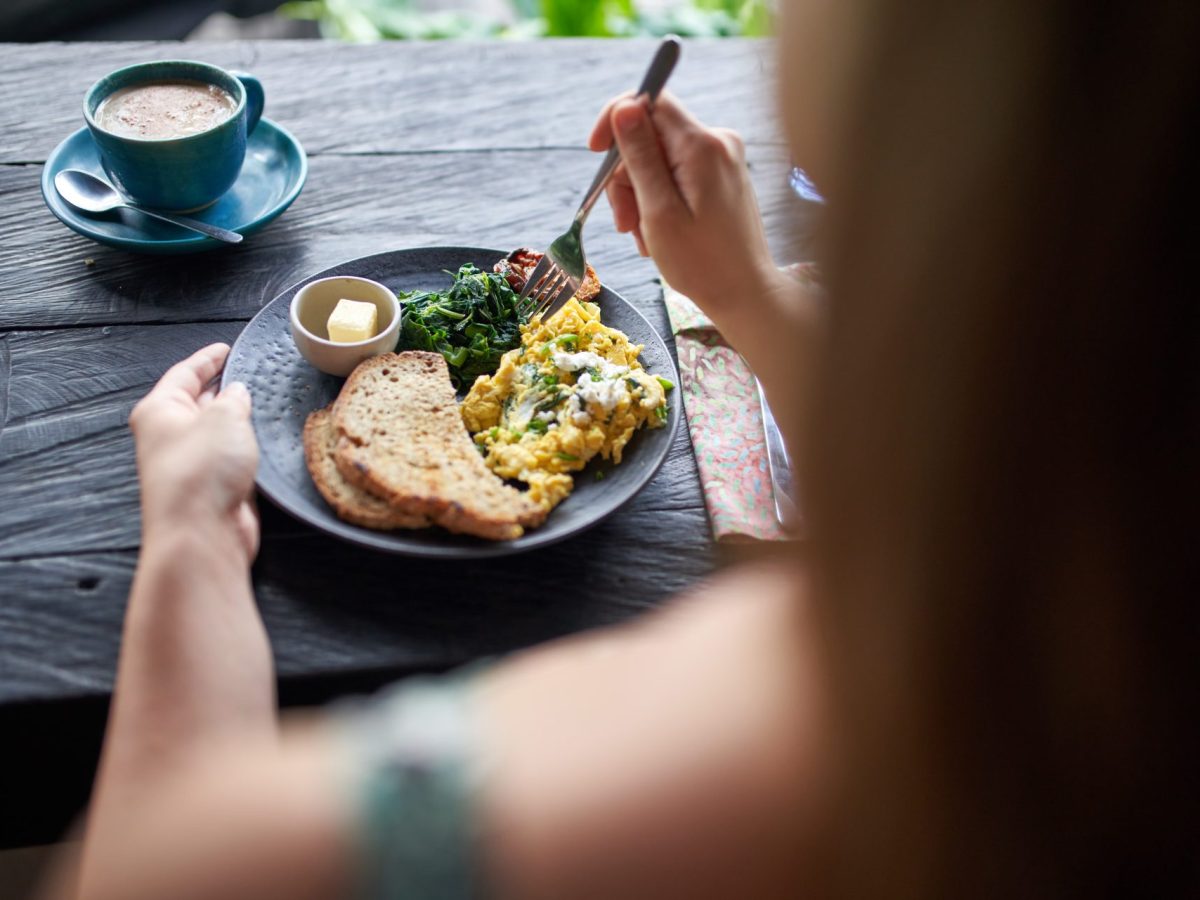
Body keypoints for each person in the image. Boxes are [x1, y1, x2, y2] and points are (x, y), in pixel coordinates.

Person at [42, 0, 1199, 896]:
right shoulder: (1100, 598)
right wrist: (743, 290)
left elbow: (151, 865)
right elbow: (970, 476)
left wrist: (192, 533)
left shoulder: (798, 721)